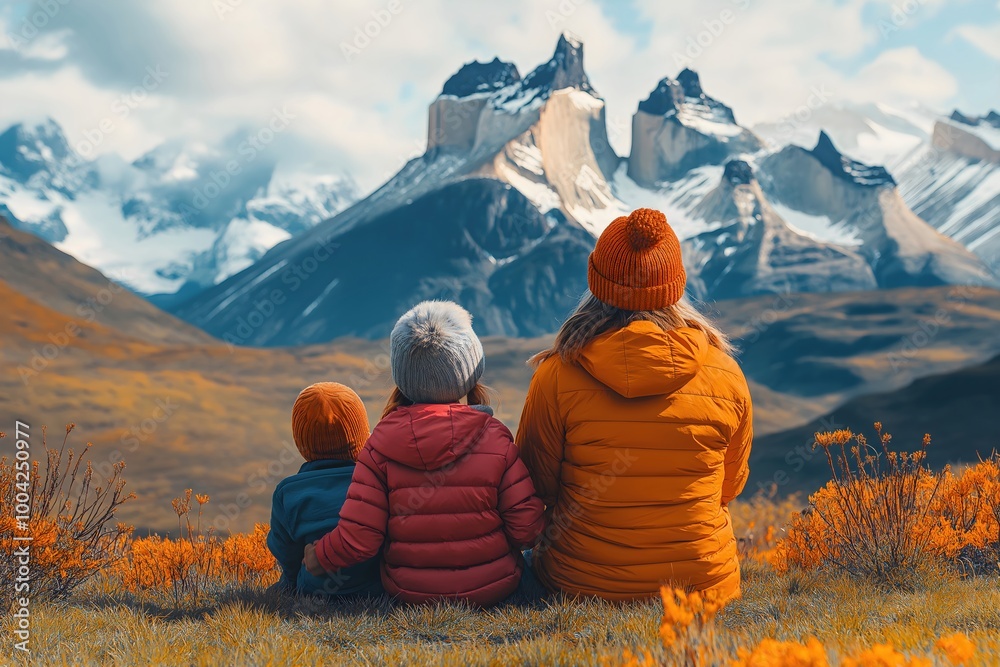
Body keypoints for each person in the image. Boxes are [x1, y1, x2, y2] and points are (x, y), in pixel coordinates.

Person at [516, 207, 753, 602]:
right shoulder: (726, 373)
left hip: (579, 584)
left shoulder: (556, 375)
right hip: (703, 587)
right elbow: (730, 485)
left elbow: (536, 486)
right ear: (675, 287)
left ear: (597, 284)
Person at [303, 301, 545, 606]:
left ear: (402, 375)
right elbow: (527, 530)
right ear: (470, 372)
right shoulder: (495, 438)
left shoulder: (380, 445)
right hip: (493, 589)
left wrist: (317, 557)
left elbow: (360, 538)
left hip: (409, 594)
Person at [266, 382, 382, 597]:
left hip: (314, 592)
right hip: (375, 588)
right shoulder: (376, 481)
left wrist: (289, 584)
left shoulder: (288, 492)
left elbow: (286, 553)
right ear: (362, 436)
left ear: (301, 442)